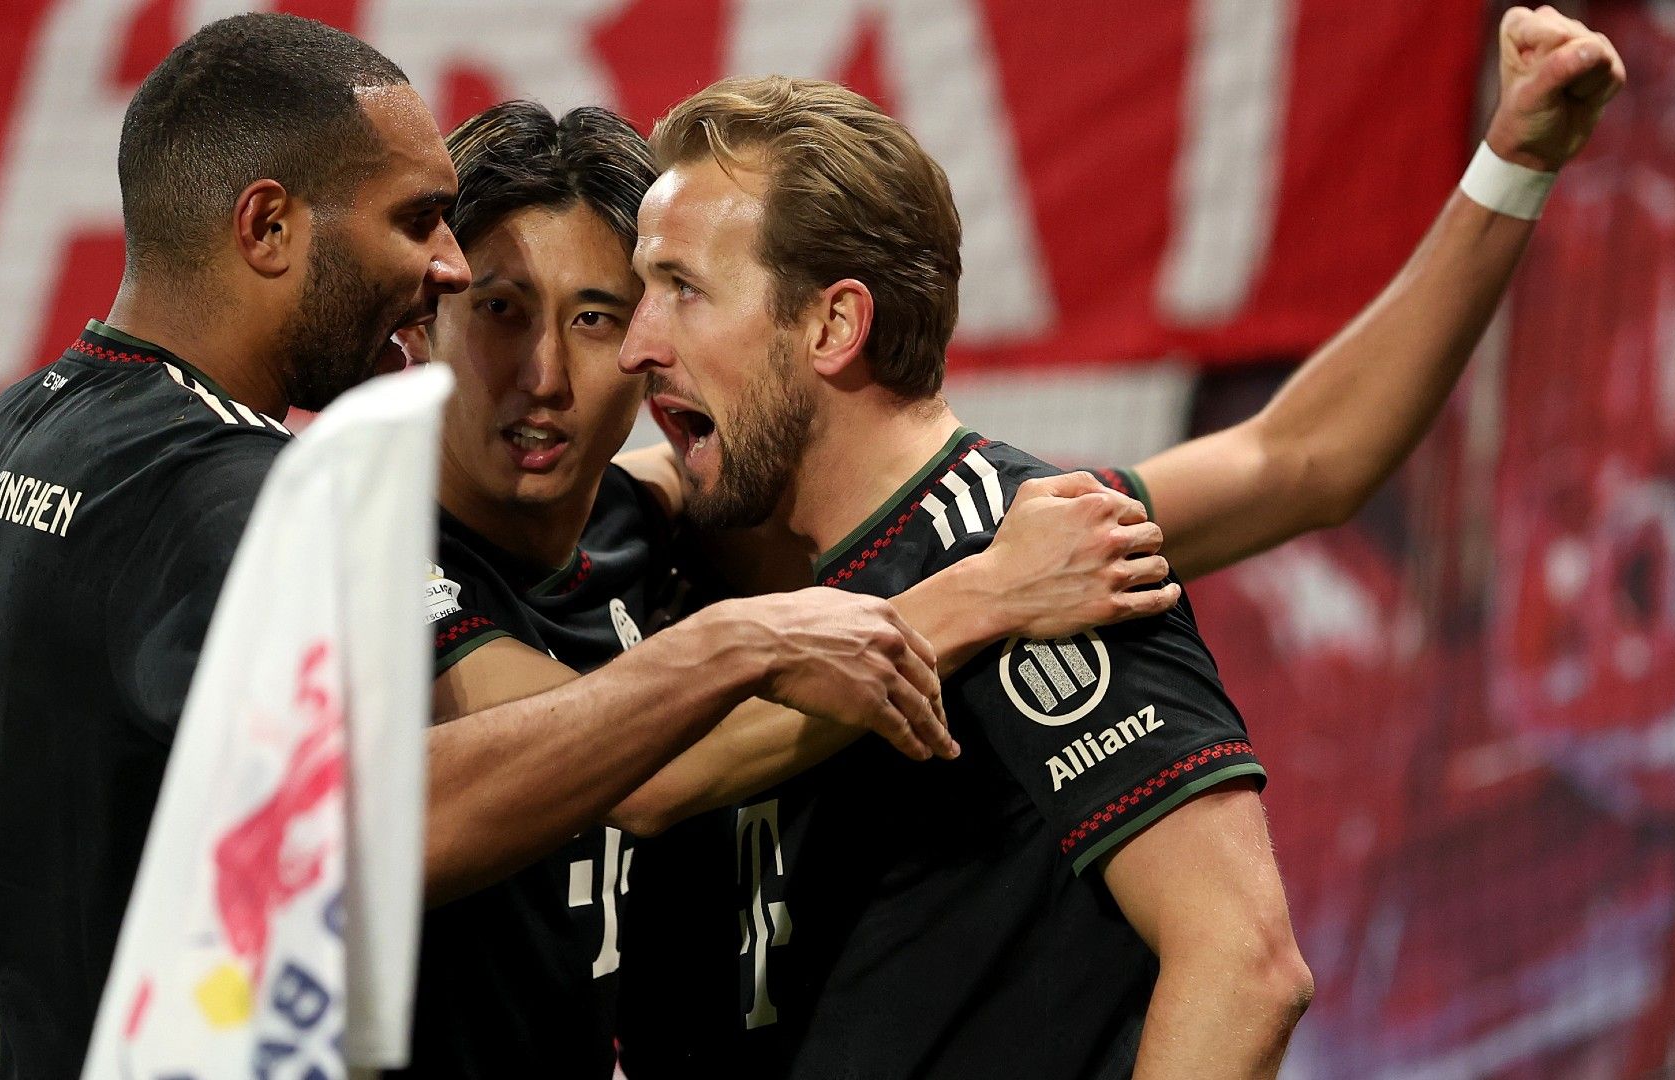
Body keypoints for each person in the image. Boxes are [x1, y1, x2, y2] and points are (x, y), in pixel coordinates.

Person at [0, 15, 955, 1077]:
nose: (441, 270)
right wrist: (732, 648)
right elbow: (387, 823)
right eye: (417, 224)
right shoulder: (237, 500)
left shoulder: (23, 432)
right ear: (268, 228)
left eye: (598, 317)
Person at [609, 8, 1626, 1076]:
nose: (639, 344)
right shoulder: (889, 559)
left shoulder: (1054, 554)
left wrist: (1511, 164)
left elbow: (1242, 965)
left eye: (681, 289)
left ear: (832, 327)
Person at [401, 100, 1177, 1080]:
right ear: (424, 322)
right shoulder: (356, 555)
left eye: (597, 315)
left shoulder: (664, 518)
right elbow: (637, 768)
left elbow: (1283, 466)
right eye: (501, 310)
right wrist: (982, 597)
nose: (546, 374)